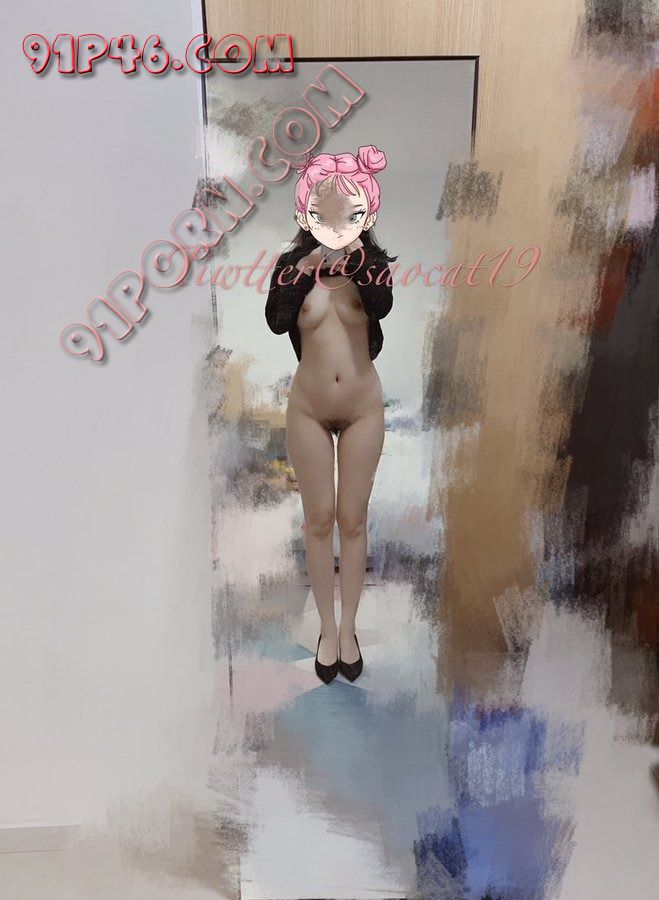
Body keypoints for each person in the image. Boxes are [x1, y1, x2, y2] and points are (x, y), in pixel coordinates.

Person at [265, 145, 396, 684]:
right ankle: (325, 629)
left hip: (362, 406)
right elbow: (277, 320)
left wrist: (357, 260)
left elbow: (382, 308)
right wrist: (306, 267)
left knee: (353, 519)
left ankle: (349, 630)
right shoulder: (290, 265)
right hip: (309, 409)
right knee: (319, 520)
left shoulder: (374, 262)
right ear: (308, 210)